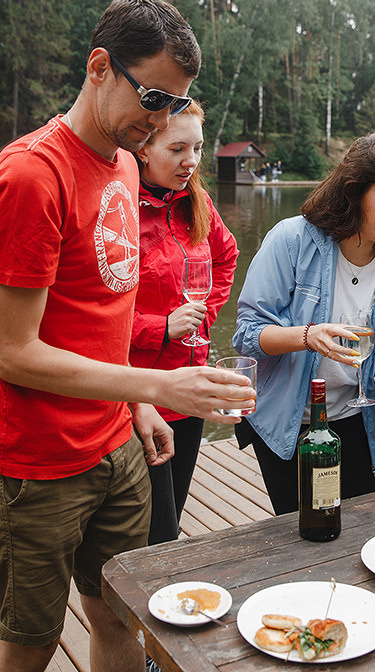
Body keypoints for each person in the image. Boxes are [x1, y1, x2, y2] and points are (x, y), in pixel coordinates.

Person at [0, 0, 252, 672]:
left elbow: (104, 312)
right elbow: (14, 353)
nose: (161, 121)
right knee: (27, 648)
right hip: (33, 464)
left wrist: (137, 405)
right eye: (153, 98)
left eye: (174, 103)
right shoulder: (32, 178)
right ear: (99, 68)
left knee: (121, 618)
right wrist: (156, 381)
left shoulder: (123, 162)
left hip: (115, 443)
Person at [233, 129, 375, 515]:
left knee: (356, 526)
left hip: (353, 418)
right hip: (286, 423)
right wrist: (308, 336)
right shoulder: (292, 240)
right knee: (301, 529)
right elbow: (247, 334)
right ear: (355, 190)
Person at [130, 100, 239, 544]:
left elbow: (226, 255)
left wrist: (203, 315)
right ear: (143, 149)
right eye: (177, 149)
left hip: (189, 390)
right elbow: (98, 312)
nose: (190, 161)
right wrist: (162, 326)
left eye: (196, 148)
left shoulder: (196, 201)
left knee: (171, 517)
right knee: (153, 531)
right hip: (136, 393)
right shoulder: (121, 210)